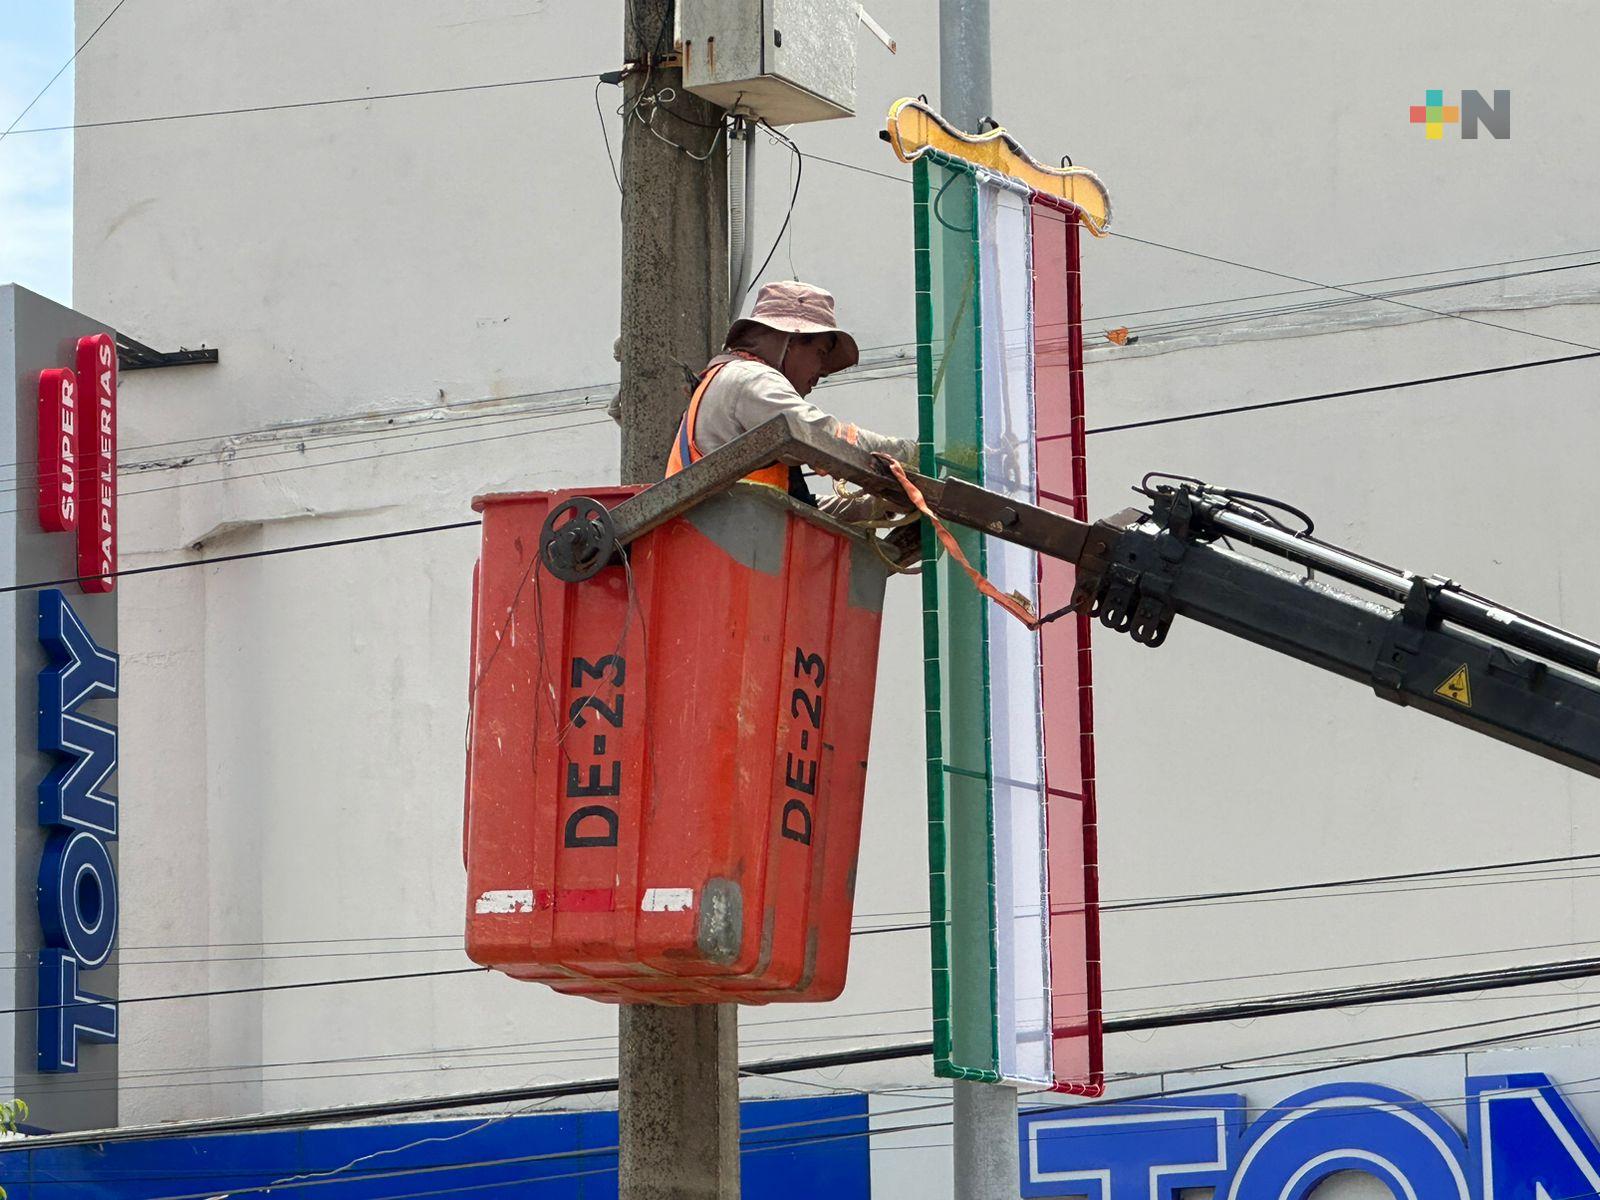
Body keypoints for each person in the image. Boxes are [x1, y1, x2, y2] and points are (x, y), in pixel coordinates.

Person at [664, 280, 916, 520]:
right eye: (820, 353)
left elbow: (794, 507)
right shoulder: (751, 379)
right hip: (727, 550)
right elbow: (823, 436)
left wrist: (874, 506)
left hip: (729, 544)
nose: (823, 372)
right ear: (789, 342)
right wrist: (913, 455)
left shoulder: (730, 379)